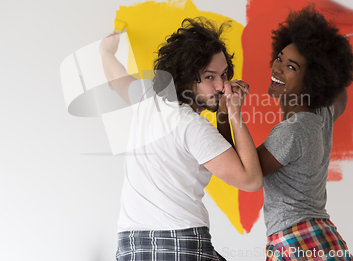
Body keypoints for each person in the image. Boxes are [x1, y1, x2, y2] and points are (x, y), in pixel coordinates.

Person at [99, 17, 263, 261]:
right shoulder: (192, 126)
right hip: (180, 242)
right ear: (186, 76)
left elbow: (115, 77)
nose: (221, 85)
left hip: (131, 246)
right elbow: (251, 180)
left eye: (224, 74)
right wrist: (236, 114)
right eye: (210, 77)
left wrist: (105, 51)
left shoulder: (147, 99)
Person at [256, 6, 353, 260]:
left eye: (292, 67)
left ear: (312, 78)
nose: (277, 68)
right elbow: (340, 94)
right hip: (320, 236)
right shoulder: (321, 115)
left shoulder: (291, 132)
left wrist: (227, 114)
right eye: (279, 58)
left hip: (296, 240)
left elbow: (245, 171)